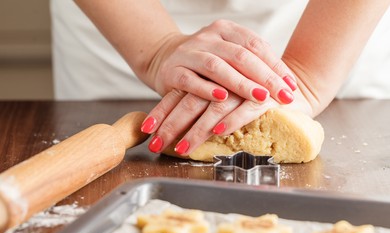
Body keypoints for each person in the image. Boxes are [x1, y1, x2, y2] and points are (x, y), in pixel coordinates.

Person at [51, 0, 390, 156]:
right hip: (123, 26)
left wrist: (307, 76)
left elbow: (308, 78)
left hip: (330, 30)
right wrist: (156, 49)